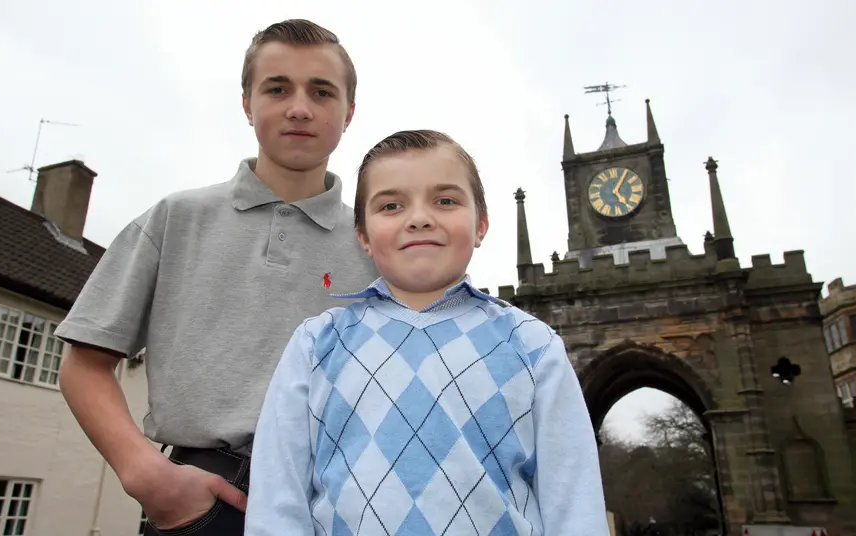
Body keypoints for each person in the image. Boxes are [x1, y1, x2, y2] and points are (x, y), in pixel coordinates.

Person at [55, 19, 378, 536]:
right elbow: (84, 364)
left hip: (347, 500)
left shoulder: (376, 244)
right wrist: (144, 472)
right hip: (206, 501)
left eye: (322, 91)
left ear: (349, 112)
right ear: (248, 103)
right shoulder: (175, 218)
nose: (299, 106)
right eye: (277, 88)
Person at [244, 130, 610, 535]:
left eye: (446, 201)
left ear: (481, 225)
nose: (419, 217)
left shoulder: (533, 345)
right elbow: (278, 503)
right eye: (391, 205)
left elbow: (574, 504)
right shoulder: (315, 344)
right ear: (363, 236)